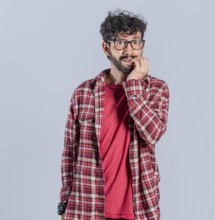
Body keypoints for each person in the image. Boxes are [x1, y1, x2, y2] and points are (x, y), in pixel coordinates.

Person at [58, 9, 169, 220]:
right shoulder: (84, 93)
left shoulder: (156, 89)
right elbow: (69, 153)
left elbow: (153, 134)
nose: (130, 50)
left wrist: (133, 85)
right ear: (106, 47)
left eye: (135, 42)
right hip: (87, 207)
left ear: (142, 45)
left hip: (138, 208)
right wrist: (65, 201)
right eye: (121, 43)